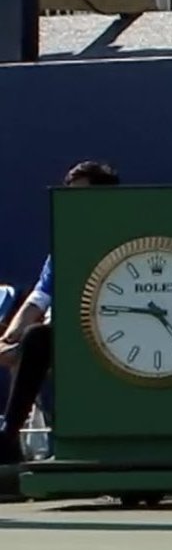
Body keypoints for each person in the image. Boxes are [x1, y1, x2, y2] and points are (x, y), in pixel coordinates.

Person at [0, 159, 121, 467]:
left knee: (37, 339)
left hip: (115, 336)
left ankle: (8, 436)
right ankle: (9, 443)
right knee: (32, 339)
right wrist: (9, 340)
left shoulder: (125, 239)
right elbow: (38, 300)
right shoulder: (63, 246)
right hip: (67, 338)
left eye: (80, 198)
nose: (72, 206)